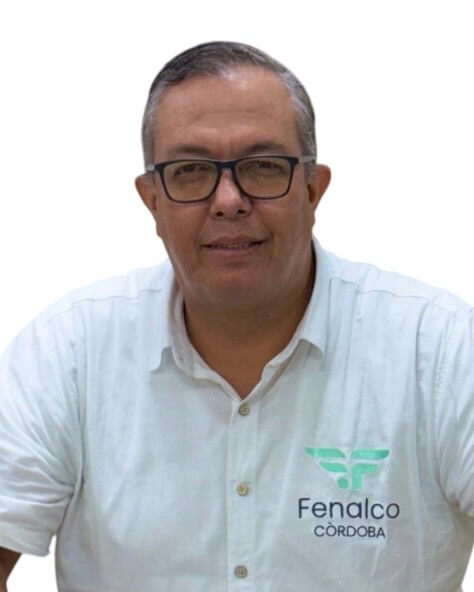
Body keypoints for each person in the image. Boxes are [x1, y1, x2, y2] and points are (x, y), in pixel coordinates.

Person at [0, 41, 473, 592]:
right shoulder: (67, 354)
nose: (228, 200)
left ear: (313, 189)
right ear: (152, 200)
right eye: (191, 171)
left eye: (262, 166)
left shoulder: (440, 351)